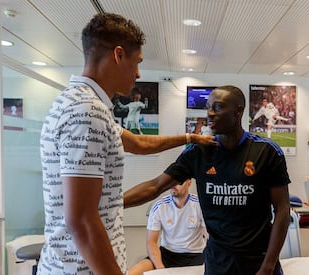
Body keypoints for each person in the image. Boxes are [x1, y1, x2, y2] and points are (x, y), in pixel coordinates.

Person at [37, 13, 216, 275]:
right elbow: (82, 220)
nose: (139, 73)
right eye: (137, 62)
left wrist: (189, 138)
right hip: (80, 268)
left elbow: (138, 142)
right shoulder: (88, 112)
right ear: (119, 55)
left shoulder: (78, 103)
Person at [124, 85, 291, 275]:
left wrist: (268, 266)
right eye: (208, 107)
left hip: (258, 261)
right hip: (217, 261)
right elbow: (155, 186)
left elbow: (283, 209)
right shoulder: (198, 152)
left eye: (218, 107)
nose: (210, 113)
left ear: (238, 111)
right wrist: (112, 204)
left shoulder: (267, 151)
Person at [128, 178, 207, 275]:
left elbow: (210, 237)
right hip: (166, 254)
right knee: (131, 273)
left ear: (189, 183)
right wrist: (161, 270)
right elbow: (151, 242)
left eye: (179, 181)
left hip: (194, 256)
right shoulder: (159, 206)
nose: (174, 185)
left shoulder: (200, 205)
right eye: (172, 182)